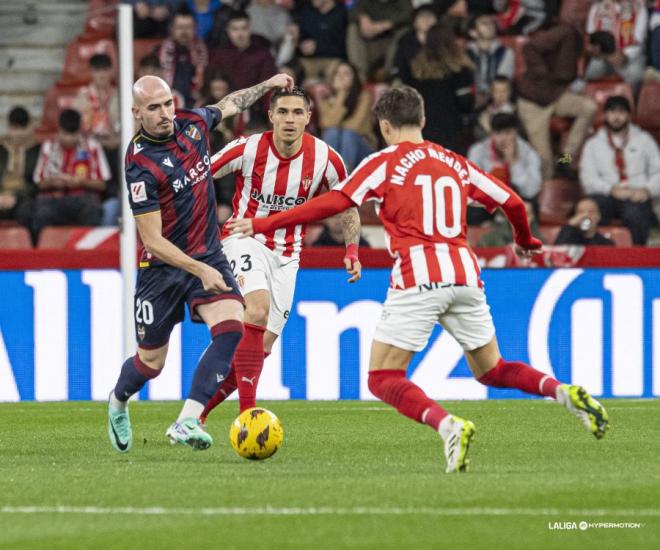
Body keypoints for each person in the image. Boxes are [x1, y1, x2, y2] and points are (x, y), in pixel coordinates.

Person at [228, 86, 609, 473]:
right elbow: (510, 201)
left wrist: (263, 223)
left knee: (382, 378)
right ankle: (562, 391)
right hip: (465, 273)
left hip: (418, 274)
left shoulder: (385, 163)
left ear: (385, 125)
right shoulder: (455, 162)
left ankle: (448, 425)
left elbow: (336, 202)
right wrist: (525, 240)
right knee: (492, 368)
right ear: (423, 121)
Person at [106, 72, 294, 454]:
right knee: (150, 363)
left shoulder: (192, 125)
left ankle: (187, 419)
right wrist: (199, 269)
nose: (164, 114)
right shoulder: (139, 164)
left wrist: (268, 84)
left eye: (168, 104)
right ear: (137, 113)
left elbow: (232, 102)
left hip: (208, 253)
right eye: (154, 108)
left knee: (230, 328)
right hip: (162, 271)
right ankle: (118, 400)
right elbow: (153, 241)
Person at [200, 86, 361, 422]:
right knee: (256, 309)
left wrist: (352, 248)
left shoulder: (327, 159)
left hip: (288, 254)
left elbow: (348, 205)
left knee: (261, 348)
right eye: (283, 112)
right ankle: (249, 418)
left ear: (308, 118)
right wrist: (200, 228)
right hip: (243, 239)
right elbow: (198, 177)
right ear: (271, 116)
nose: (290, 119)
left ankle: (194, 416)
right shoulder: (247, 148)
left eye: (297, 113)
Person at [516, 22, 597, 180]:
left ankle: (565, 158)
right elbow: (529, 48)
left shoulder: (580, 52)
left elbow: (564, 74)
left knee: (589, 107)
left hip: (555, 96)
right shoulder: (566, 32)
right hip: (533, 103)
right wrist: (542, 73)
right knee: (546, 165)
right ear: (593, 44)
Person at [579, 95, 660, 245]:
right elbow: (587, 178)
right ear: (605, 115)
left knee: (636, 214)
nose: (616, 117)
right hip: (606, 195)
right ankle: (591, 256)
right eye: (612, 112)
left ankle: (639, 257)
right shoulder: (593, 143)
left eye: (621, 112)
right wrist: (612, 190)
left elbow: (658, 171)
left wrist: (647, 191)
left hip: (636, 195)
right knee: (587, 211)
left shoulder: (644, 139)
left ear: (629, 116)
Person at [31, 109, 109, 243]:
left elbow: (102, 184)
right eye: (65, 134)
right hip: (54, 199)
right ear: (59, 130)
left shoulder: (92, 146)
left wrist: (81, 182)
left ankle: (88, 252)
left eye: (73, 135)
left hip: (83, 199)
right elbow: (39, 183)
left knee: (92, 208)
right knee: (40, 211)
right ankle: (42, 255)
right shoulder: (48, 147)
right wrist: (53, 182)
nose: (69, 139)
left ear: (79, 131)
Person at [400, 21, 475, 154]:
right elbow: (466, 103)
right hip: (452, 132)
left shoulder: (415, 70)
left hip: (422, 132)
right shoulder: (459, 70)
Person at [468, 112, 542, 202]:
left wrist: (514, 163)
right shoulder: (477, 151)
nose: (503, 139)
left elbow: (531, 192)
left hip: (519, 201)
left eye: (507, 133)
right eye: (498, 133)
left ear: (515, 133)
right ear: (492, 134)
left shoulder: (529, 154)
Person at [317, 62, 376, 171]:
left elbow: (354, 126)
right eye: (337, 74)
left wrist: (341, 95)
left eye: (346, 74)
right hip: (339, 146)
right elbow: (326, 124)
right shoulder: (325, 98)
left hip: (362, 150)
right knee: (332, 132)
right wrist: (341, 95)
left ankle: (343, 177)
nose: (341, 77)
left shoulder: (364, 96)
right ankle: (332, 176)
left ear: (355, 78)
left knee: (348, 135)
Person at [208, 11, 278, 96]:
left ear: (250, 29)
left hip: (255, 105)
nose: (240, 34)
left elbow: (268, 88)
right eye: (235, 29)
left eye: (244, 28)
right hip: (225, 104)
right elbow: (212, 87)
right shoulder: (219, 55)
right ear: (228, 31)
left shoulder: (263, 55)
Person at [153, 4, 208, 107]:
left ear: (195, 28)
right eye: (180, 27)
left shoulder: (203, 51)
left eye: (188, 27)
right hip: (166, 102)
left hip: (196, 104)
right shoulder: (160, 51)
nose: (184, 32)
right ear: (172, 29)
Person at [585, 0, 647, 90]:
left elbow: (639, 41)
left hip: (627, 57)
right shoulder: (596, 8)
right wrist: (605, 56)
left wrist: (625, 56)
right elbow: (590, 39)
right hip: (601, 56)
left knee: (635, 73)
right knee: (592, 69)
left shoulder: (639, 7)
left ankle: (628, 99)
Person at [0, 107, 40, 225]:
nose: (18, 134)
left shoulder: (37, 150)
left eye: (22, 129)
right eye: (14, 129)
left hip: (24, 198)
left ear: (30, 128)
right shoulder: (1, 150)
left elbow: (37, 184)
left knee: (28, 211)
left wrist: (16, 198)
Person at [466, 13, 514, 108]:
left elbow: (502, 82)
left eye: (491, 23)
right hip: (470, 101)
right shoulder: (465, 55)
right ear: (473, 32)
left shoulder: (505, 52)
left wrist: (486, 97)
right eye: (484, 23)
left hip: (495, 101)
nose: (490, 26)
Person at [296, 0, 349, 81]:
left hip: (332, 59)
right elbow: (302, 36)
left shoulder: (342, 13)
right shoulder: (306, 11)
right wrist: (301, 44)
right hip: (308, 60)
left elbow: (343, 45)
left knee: (334, 71)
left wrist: (317, 46)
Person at [477, 199, 543, 247]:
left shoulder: (540, 242)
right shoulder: (489, 239)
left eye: (526, 214)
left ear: (532, 217)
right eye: (517, 214)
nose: (521, 219)